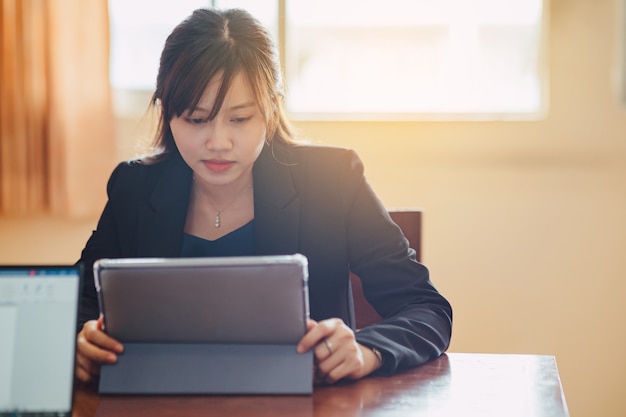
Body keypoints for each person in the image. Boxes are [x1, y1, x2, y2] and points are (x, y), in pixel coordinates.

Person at [75, 7, 452, 385]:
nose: (218, 143)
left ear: (272, 108)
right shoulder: (133, 187)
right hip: (163, 402)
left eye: (239, 119)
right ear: (166, 112)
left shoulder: (331, 181)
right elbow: (76, 307)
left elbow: (426, 308)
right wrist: (80, 340)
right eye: (196, 119)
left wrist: (367, 351)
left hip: (306, 404)